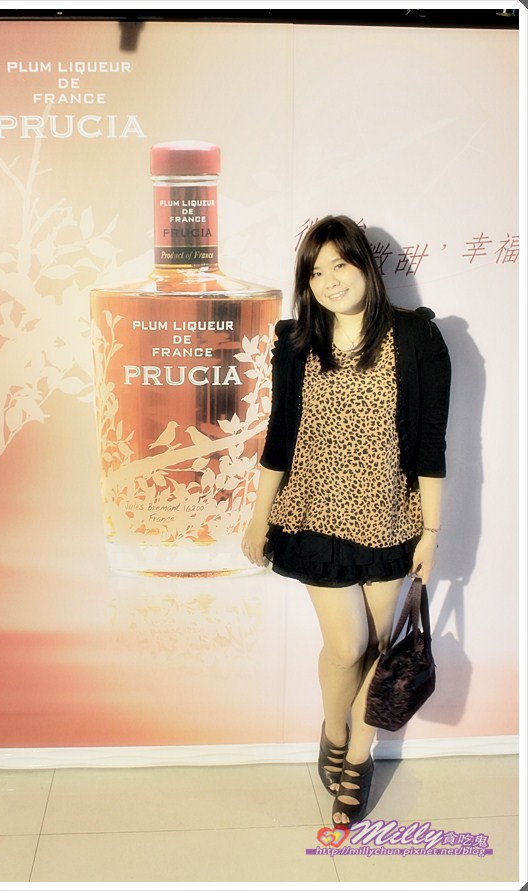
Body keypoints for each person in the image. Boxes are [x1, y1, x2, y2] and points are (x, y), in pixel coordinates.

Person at [241, 215, 451, 828]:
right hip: (313, 515)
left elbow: (431, 443)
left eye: (340, 264)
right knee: (346, 646)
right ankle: (334, 730)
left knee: (381, 651)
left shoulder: (415, 337)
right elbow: (280, 438)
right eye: (316, 272)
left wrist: (431, 533)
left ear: (366, 265)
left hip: (389, 519)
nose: (330, 280)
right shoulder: (297, 342)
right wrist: (258, 520)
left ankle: (358, 756)